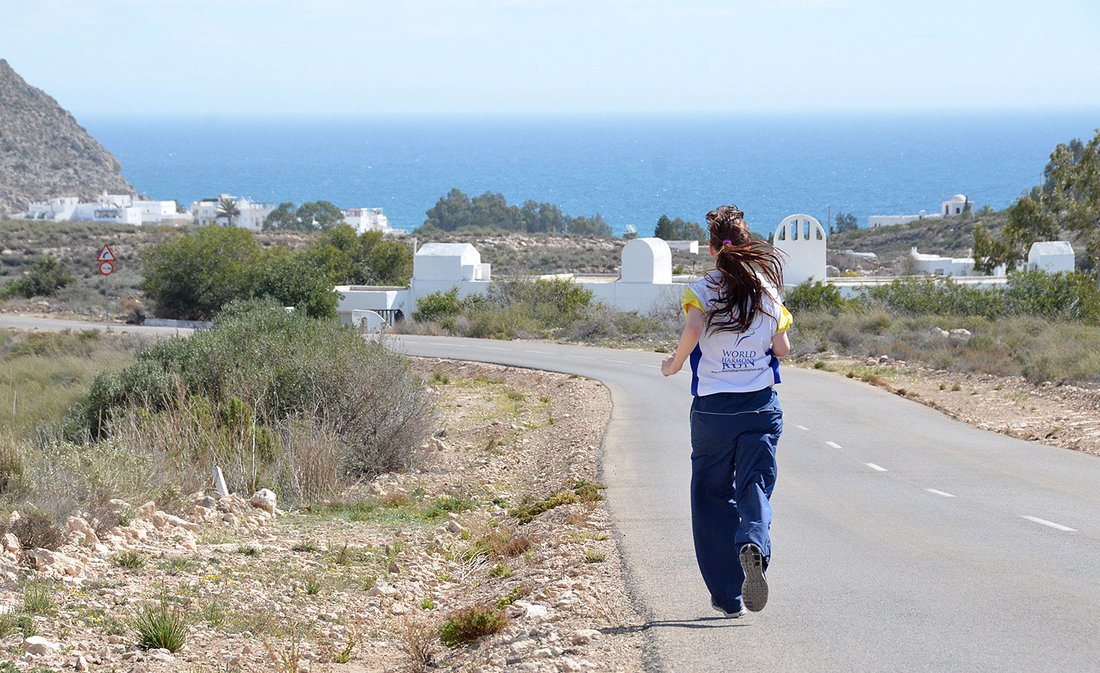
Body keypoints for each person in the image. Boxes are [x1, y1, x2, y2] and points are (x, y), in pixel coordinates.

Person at [660, 204, 792, 617]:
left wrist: (674, 364)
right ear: (747, 246)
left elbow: (694, 328)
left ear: (712, 249)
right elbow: (783, 349)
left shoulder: (700, 291)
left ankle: (729, 596)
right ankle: (752, 541)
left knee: (709, 495)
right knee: (754, 485)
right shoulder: (767, 291)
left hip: (714, 410)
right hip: (759, 406)